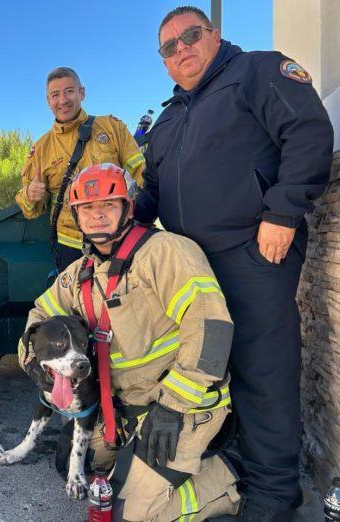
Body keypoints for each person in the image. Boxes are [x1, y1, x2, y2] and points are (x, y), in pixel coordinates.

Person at [134, 6, 334, 520]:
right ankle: (240, 474)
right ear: (163, 61)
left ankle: (273, 499)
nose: (182, 50)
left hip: (253, 253)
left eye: (190, 37)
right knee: (212, 372)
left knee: (263, 373)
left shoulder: (258, 72)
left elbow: (309, 131)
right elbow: (151, 195)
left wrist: (284, 211)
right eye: (169, 47)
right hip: (192, 272)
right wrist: (112, 221)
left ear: (214, 36)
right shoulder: (167, 121)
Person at [20, 163, 239, 521]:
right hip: (123, 411)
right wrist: (32, 362)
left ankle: (227, 482)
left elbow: (212, 329)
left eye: (109, 204)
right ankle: (143, 468)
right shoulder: (79, 274)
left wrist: (174, 408)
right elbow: (39, 315)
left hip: (179, 408)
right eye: (88, 208)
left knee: (124, 514)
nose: (98, 215)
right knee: (73, 463)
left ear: (129, 206)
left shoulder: (167, 252)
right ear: (76, 216)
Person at [15, 67, 146, 272]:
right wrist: (31, 195)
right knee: (78, 300)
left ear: (81, 93)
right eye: (55, 95)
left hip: (119, 236)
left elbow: (141, 177)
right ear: (48, 101)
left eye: (69, 91)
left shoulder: (112, 127)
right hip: (70, 246)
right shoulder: (40, 149)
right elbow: (30, 211)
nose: (62, 100)